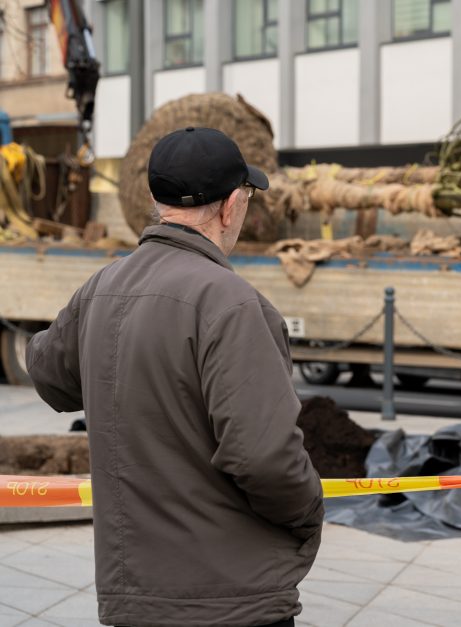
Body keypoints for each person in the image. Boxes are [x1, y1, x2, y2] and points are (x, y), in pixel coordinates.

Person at [27, 127, 324, 627]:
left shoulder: (101, 287)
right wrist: (308, 511)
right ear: (231, 206)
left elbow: (48, 374)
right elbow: (264, 458)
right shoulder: (234, 304)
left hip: (132, 597)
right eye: (247, 197)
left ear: (153, 198)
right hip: (230, 600)